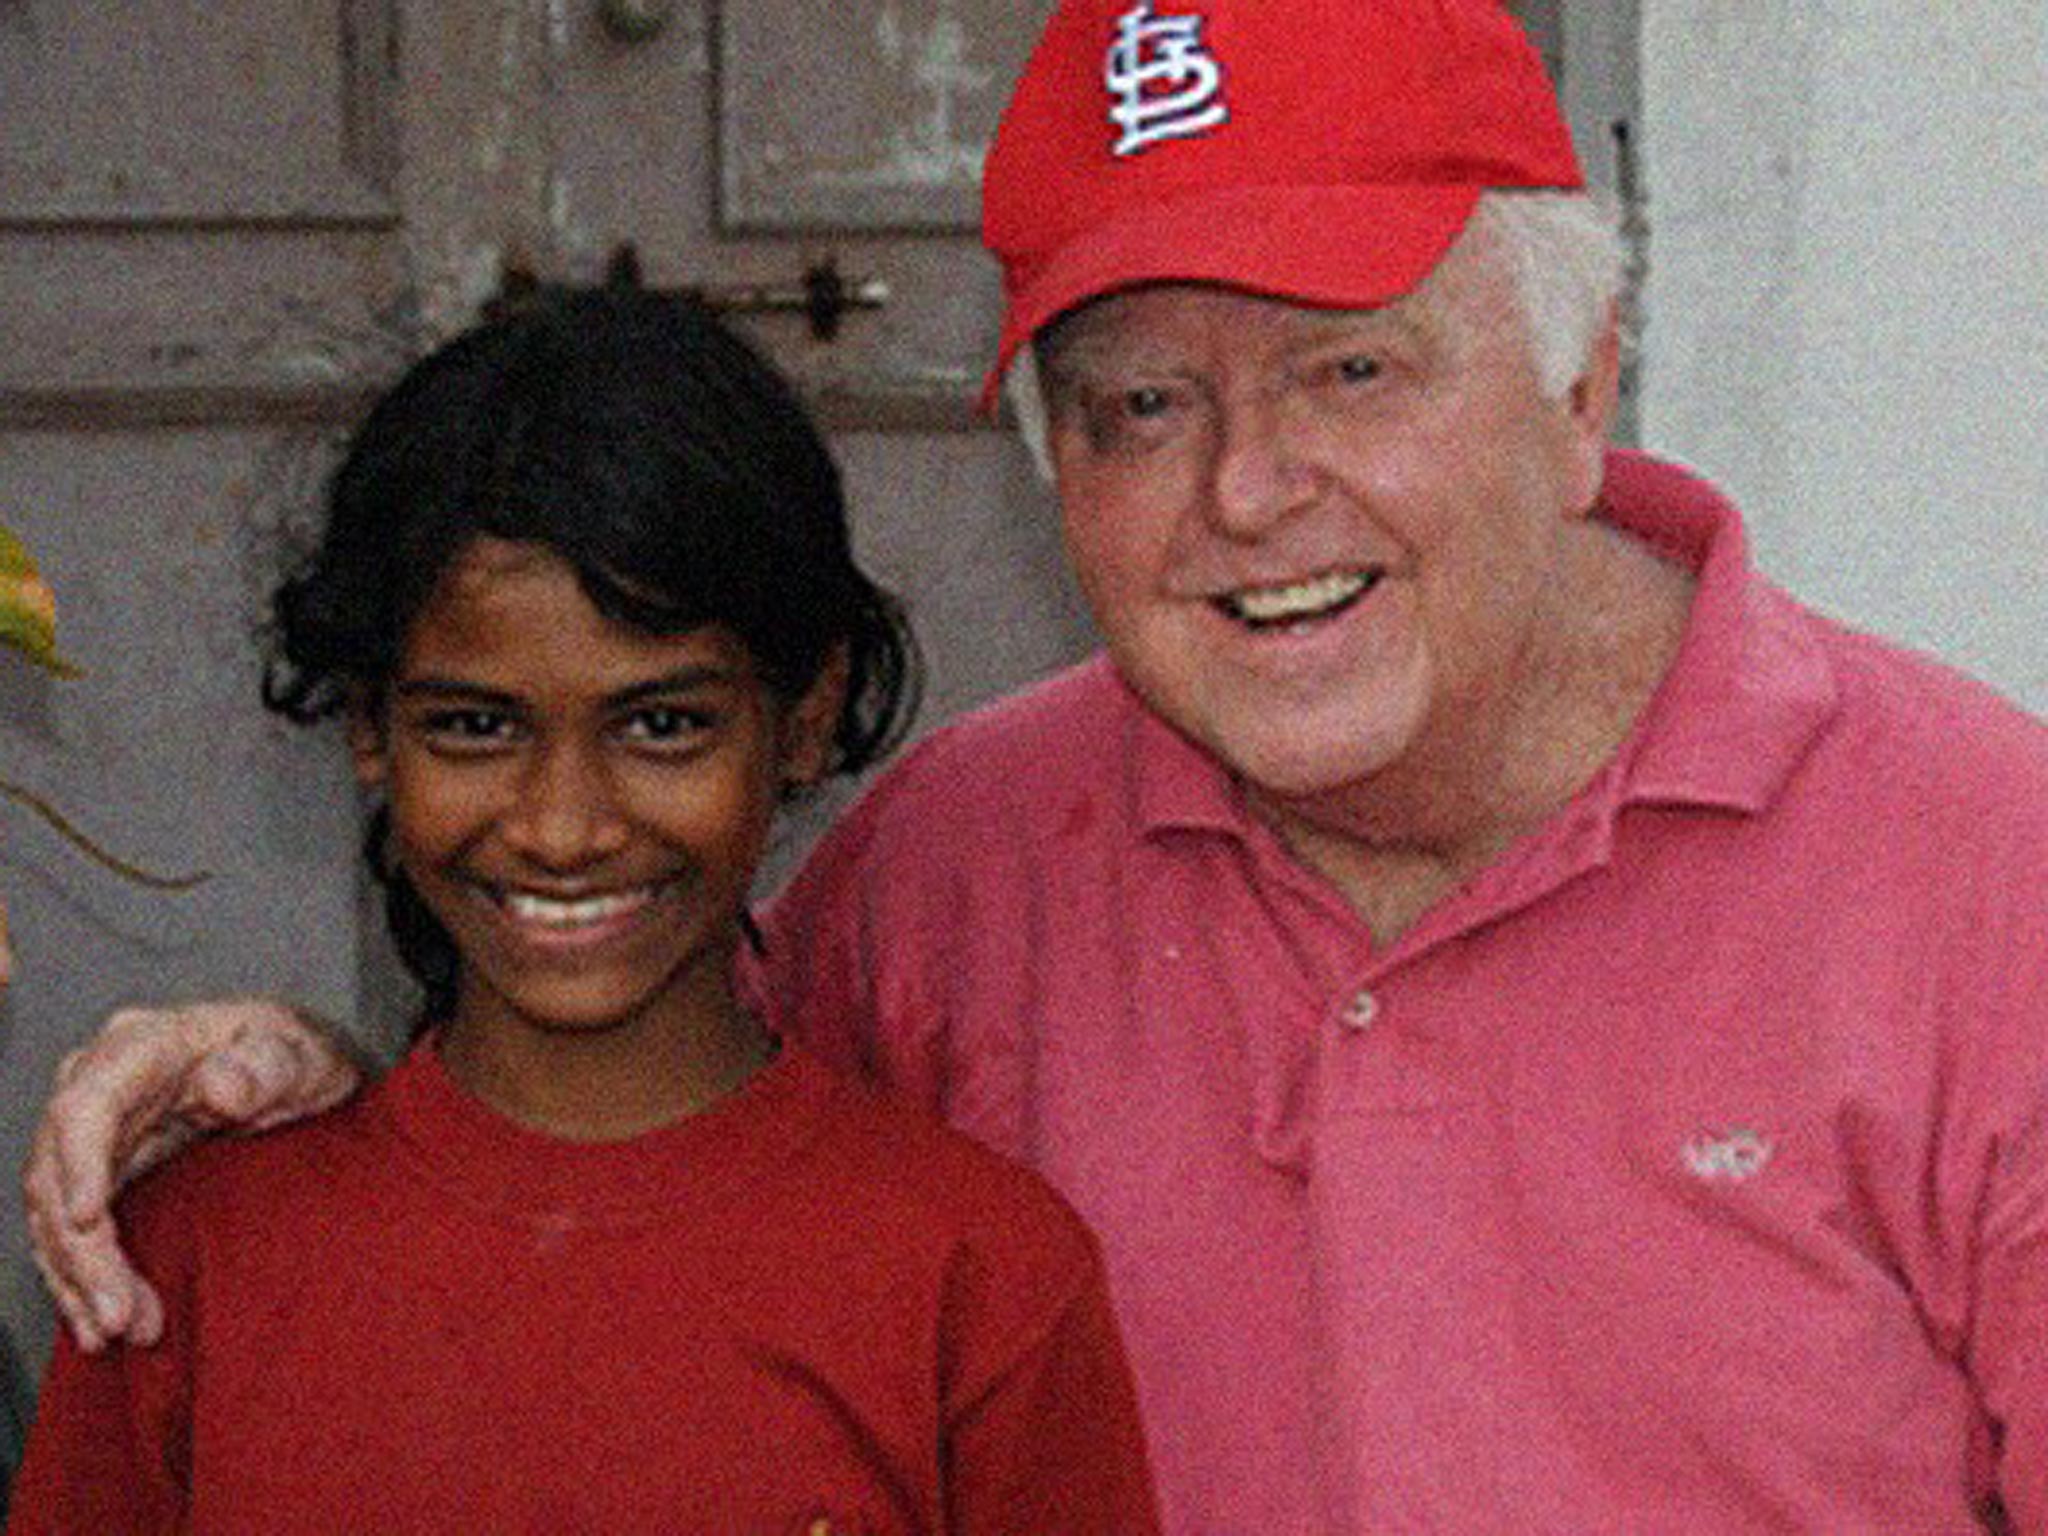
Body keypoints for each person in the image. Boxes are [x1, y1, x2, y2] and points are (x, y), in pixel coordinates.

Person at [22, 0, 2048, 1528]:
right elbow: (602, 1147)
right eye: (1137, 404)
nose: (1245, 492)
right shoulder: (957, 867)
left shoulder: (1986, 882)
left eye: (1348, 367)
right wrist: (303, 1064)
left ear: (1580, 370)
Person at [6, 281, 1160, 1532]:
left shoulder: (974, 1278)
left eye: (661, 724)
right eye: (474, 726)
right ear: (367, 730)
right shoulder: (190, 1261)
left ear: (806, 719)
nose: (562, 827)